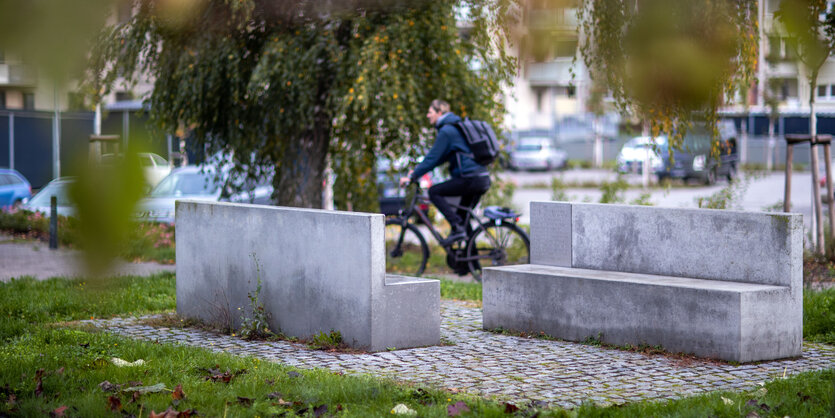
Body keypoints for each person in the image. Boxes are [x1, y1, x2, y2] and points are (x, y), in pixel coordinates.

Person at [400, 99, 491, 245]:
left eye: (430, 112)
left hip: (470, 179)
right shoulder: (454, 128)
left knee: (434, 192)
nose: (427, 116)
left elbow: (432, 158)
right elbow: (439, 159)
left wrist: (412, 176)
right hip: (480, 178)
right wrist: (417, 170)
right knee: (463, 220)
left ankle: (456, 227)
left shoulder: (447, 131)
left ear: (439, 112)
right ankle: (467, 264)